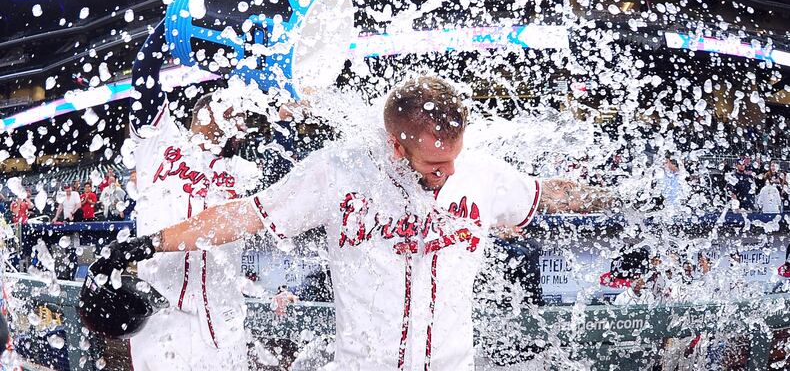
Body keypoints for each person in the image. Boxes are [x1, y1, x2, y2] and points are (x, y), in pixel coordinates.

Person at [135, 75, 610, 370]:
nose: (446, 174)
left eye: (453, 158)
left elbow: (547, 192)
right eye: (432, 165)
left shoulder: (480, 172)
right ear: (396, 146)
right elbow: (246, 216)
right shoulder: (338, 170)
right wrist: (150, 244)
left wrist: (619, 197)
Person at [125, 0, 261, 371]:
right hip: (161, 321)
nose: (230, 113)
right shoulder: (159, 140)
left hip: (223, 323)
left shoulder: (243, 172)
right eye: (220, 105)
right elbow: (144, 69)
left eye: (237, 113)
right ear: (199, 112)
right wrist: (185, 1)